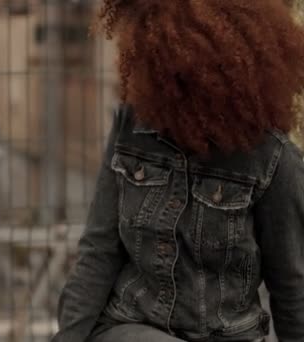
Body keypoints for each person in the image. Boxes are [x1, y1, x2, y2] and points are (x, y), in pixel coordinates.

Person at [52, 0, 304, 341]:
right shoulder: (132, 128)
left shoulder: (273, 161)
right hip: (131, 327)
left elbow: (292, 290)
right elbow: (98, 251)